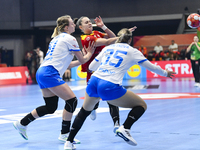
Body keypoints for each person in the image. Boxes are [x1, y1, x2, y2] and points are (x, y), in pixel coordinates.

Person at [64, 28, 176, 150]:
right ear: (130, 40)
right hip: (109, 85)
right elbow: (151, 67)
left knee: (83, 112)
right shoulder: (133, 51)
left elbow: (91, 67)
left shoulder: (107, 48)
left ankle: (69, 142)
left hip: (94, 81)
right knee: (141, 105)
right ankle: (125, 128)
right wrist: (165, 73)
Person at [13, 15, 95, 145]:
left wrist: (83, 59)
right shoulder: (70, 38)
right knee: (72, 101)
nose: (74, 25)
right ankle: (64, 134)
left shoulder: (56, 39)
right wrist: (90, 53)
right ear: (67, 27)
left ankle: (22, 123)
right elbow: (82, 60)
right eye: (72, 24)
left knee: (50, 107)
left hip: (42, 72)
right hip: (50, 73)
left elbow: (68, 64)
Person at [75, 16, 120, 131]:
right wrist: (123, 36)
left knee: (112, 97)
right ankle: (93, 108)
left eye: (90, 21)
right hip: (93, 72)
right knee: (94, 98)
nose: (90, 23)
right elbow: (108, 41)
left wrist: (103, 26)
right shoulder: (86, 38)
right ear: (81, 27)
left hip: (105, 70)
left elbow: (113, 37)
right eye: (86, 22)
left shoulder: (96, 32)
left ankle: (117, 124)